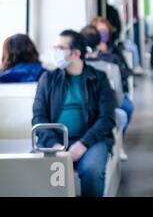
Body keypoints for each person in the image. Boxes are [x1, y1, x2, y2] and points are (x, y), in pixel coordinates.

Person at [32, 30, 116, 197]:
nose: (55, 52)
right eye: (55, 47)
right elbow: (38, 117)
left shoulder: (98, 79)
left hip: (91, 139)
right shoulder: (48, 79)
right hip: (54, 140)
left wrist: (84, 143)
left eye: (60, 48)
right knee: (31, 169)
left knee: (91, 170)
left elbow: (107, 118)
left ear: (76, 53)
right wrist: (55, 145)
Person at [81, 24, 132, 160]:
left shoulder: (73, 67)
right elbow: (118, 99)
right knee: (122, 114)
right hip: (104, 111)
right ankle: (118, 146)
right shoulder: (110, 64)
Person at [90, 17, 134, 93]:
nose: (103, 32)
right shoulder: (90, 52)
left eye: (105, 30)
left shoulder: (115, 49)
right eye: (100, 30)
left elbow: (127, 71)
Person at [122, 0, 144, 76]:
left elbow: (136, 13)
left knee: (136, 43)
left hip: (134, 24)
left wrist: (132, 20)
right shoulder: (125, 1)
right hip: (128, 24)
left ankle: (137, 64)